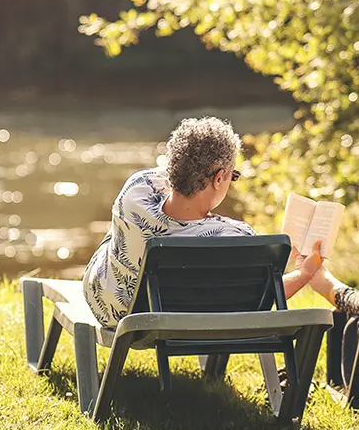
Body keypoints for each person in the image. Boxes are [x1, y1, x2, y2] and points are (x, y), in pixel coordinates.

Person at [82, 116, 285, 327]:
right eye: (232, 176)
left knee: (118, 232)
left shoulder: (137, 189)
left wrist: (187, 168)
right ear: (218, 178)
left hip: (108, 307)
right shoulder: (235, 236)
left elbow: (162, 177)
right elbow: (261, 296)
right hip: (175, 322)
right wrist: (304, 273)